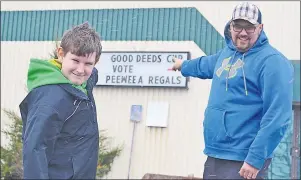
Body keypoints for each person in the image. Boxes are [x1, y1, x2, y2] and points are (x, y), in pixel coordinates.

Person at [171, 2, 293, 179]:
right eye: (238, 26)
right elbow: (204, 65)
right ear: (231, 26)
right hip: (215, 154)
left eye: (249, 27)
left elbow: (278, 116)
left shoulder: (273, 62)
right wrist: (182, 65)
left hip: (243, 161)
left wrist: (255, 159)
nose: (243, 32)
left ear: (260, 28)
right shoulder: (226, 54)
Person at [19, 22, 102, 179]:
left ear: (96, 61)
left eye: (88, 64)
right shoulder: (50, 99)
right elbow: (35, 150)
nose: (80, 69)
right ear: (61, 54)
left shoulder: (82, 83)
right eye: (75, 60)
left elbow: (91, 75)